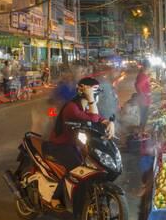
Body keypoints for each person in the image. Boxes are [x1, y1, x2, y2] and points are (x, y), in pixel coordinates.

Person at [43, 77, 115, 209]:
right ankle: (56, 197)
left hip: (74, 145)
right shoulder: (72, 107)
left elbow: (97, 117)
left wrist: (109, 123)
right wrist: (91, 99)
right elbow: (93, 118)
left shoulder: (83, 106)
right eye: (94, 94)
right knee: (77, 168)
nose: (96, 97)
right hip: (60, 146)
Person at [135, 61, 152, 132]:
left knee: (143, 116)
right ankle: (142, 132)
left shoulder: (142, 75)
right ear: (147, 68)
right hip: (144, 100)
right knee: (144, 116)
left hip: (144, 99)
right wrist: (143, 94)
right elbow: (137, 85)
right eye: (150, 68)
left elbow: (137, 85)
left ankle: (141, 131)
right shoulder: (143, 76)